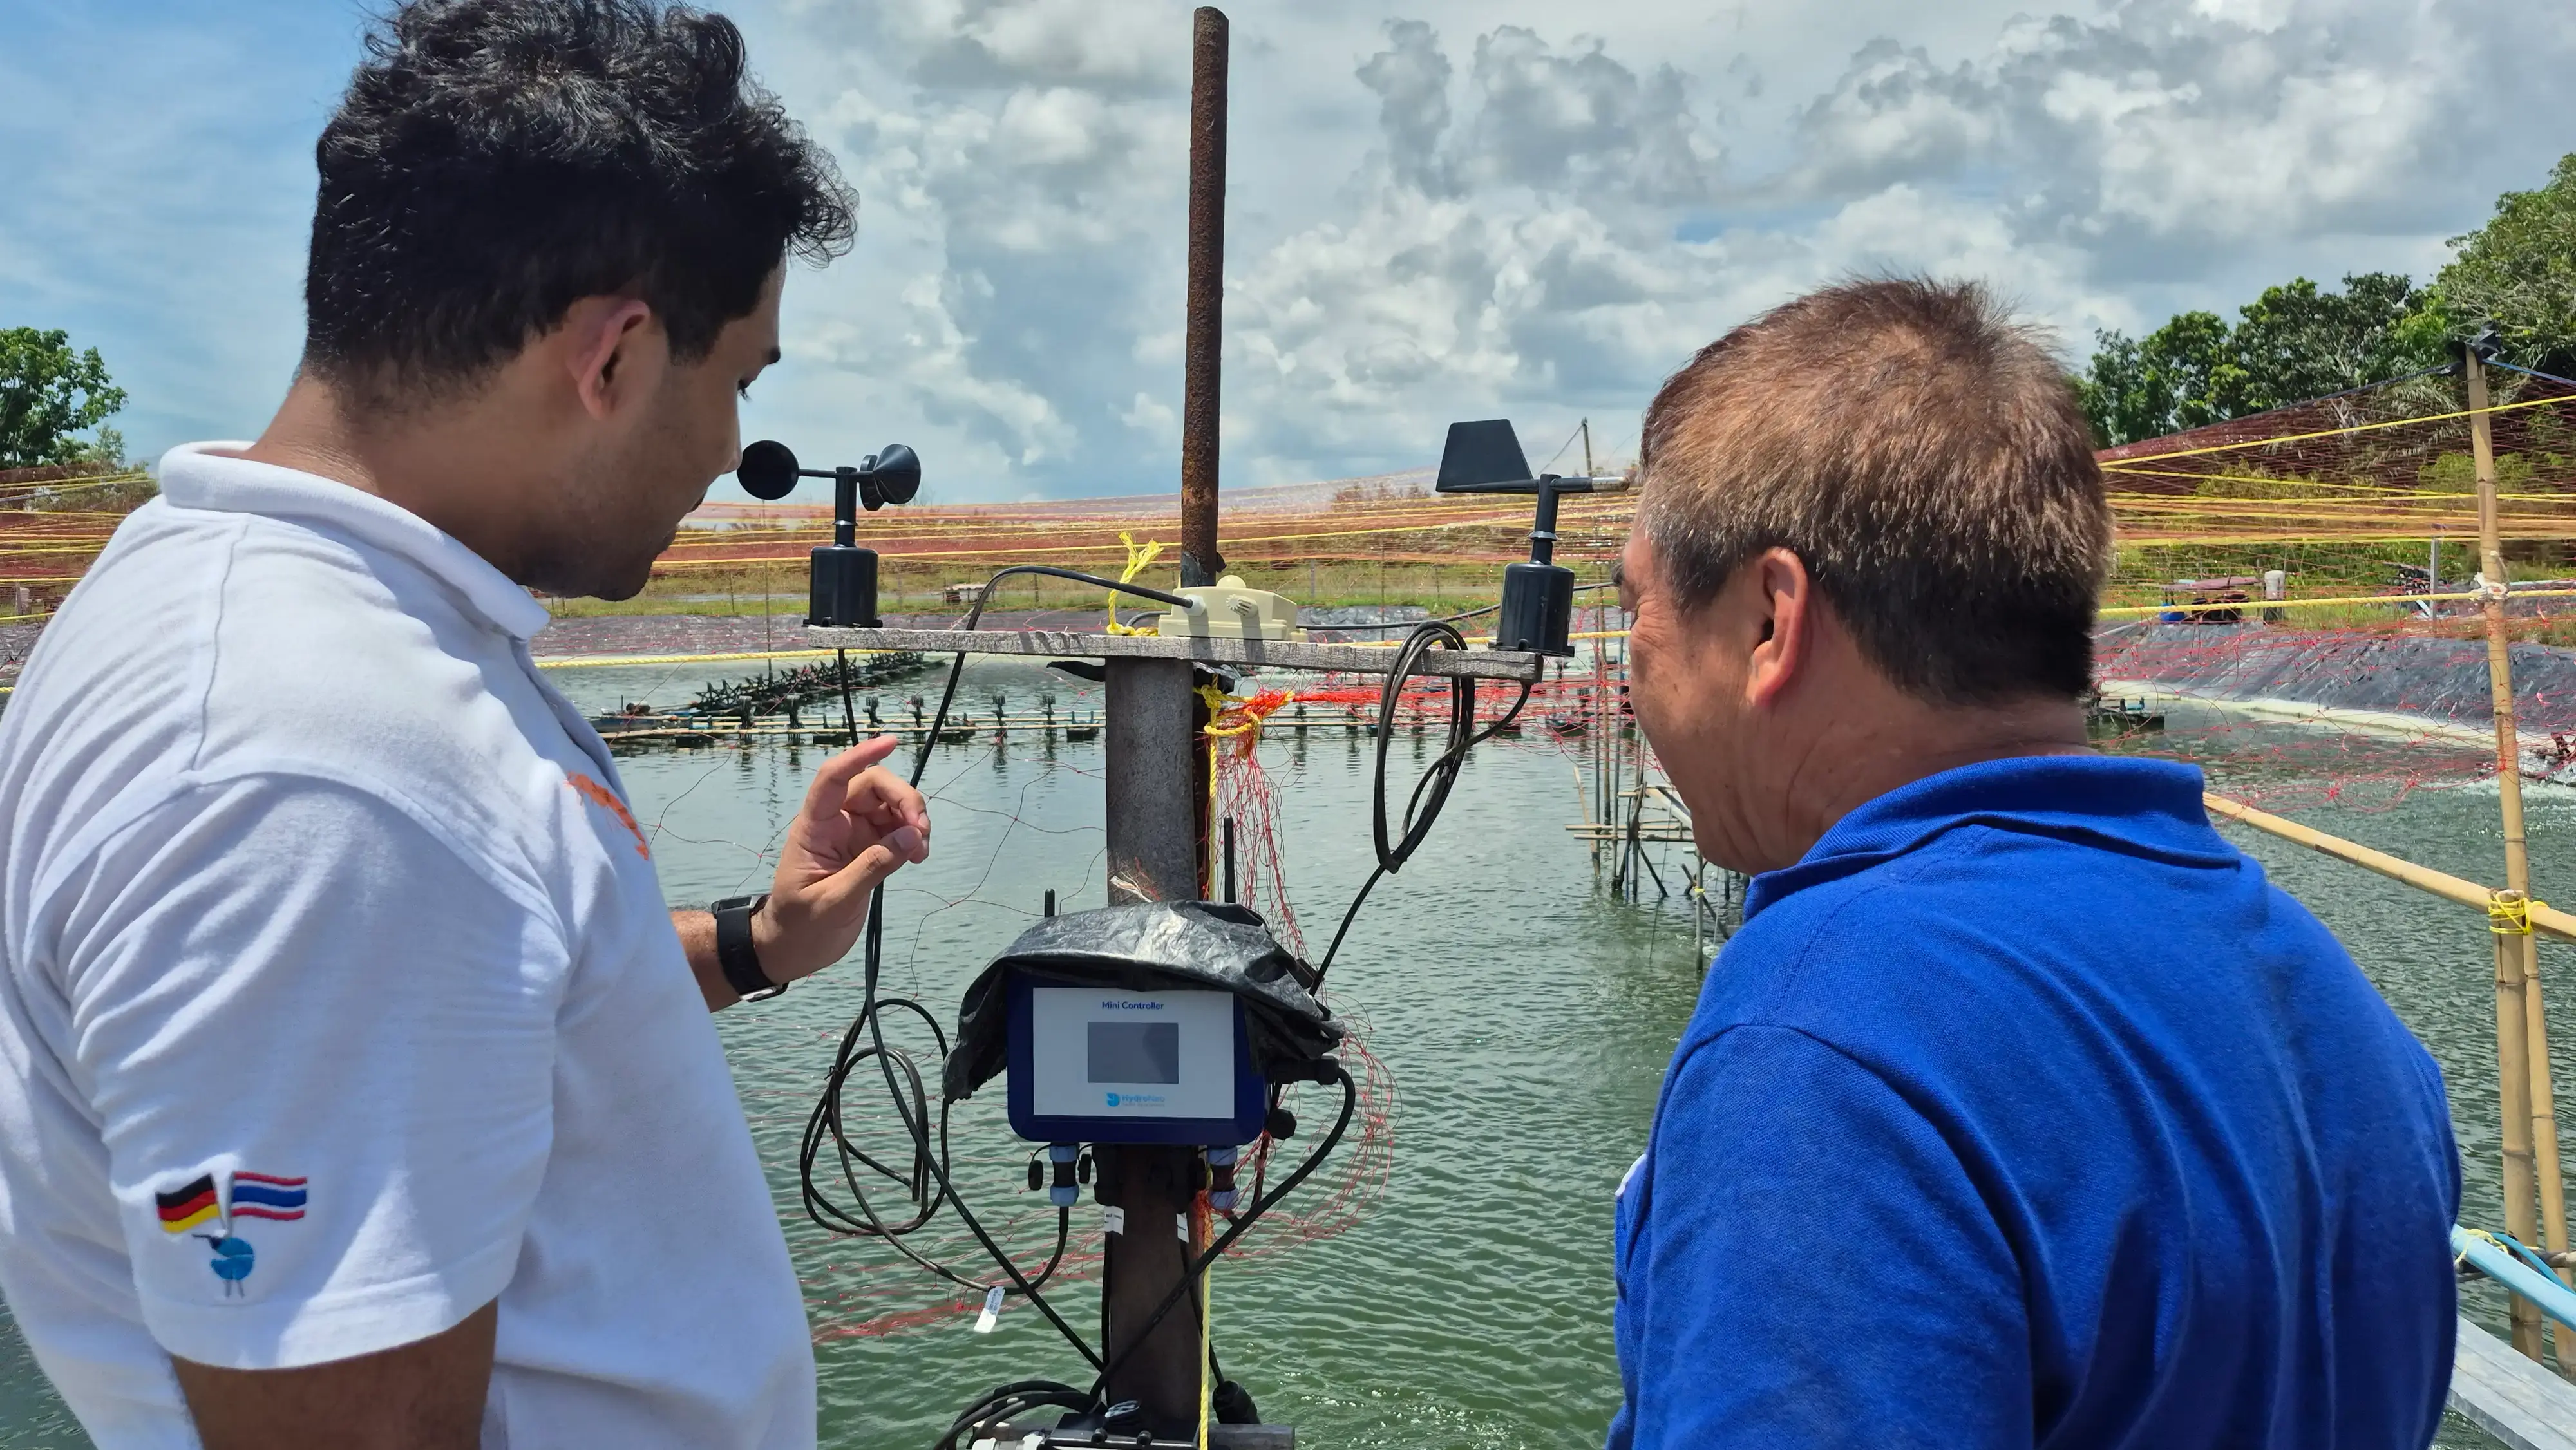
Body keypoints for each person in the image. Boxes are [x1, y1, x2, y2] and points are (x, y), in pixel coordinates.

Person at [0, 3, 926, 1446]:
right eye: (739, 382)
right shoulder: (315, 759)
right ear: (612, 359)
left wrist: (755, 940)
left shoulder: (294, 624)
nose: (727, 455)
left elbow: (467, 988)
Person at [1606, 279, 2459, 1448]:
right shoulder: (2330, 996)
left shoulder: (1826, 1035)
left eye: (1638, 613)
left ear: (1769, 620)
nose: (1628, 671)